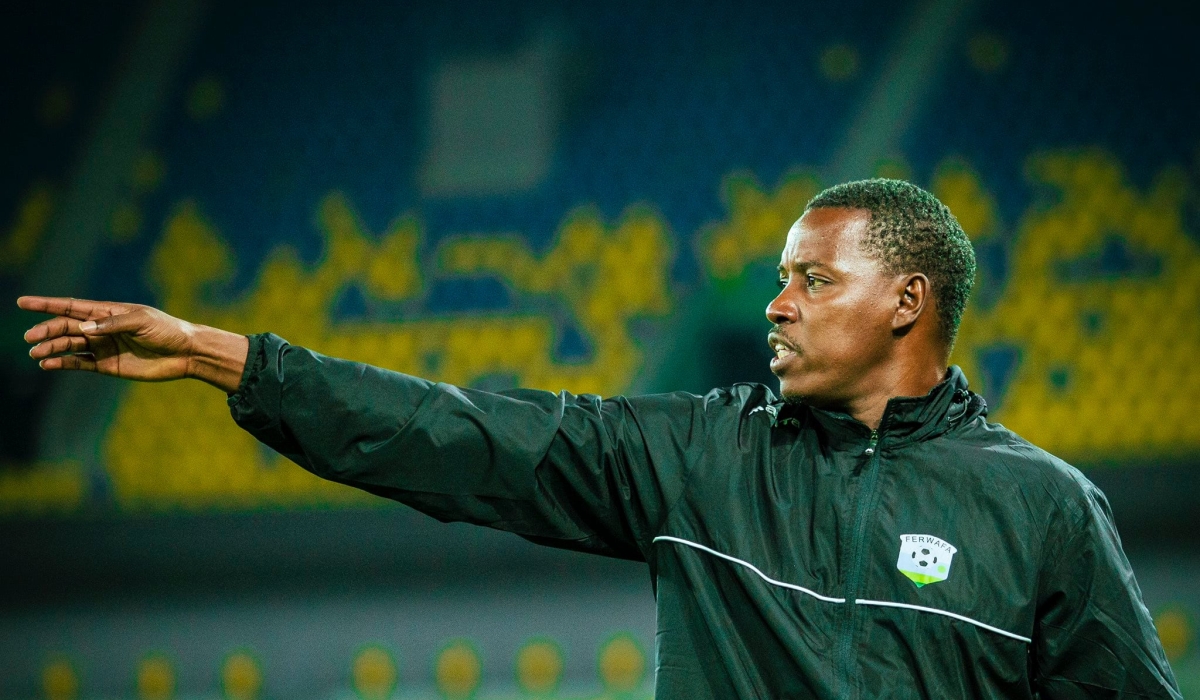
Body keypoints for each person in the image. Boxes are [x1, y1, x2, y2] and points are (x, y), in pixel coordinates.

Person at [19, 179, 1180, 699]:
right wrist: (229, 357)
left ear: (908, 302)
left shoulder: (1045, 509)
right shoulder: (699, 456)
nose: (775, 304)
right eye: (777, 279)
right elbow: (455, 435)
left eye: (811, 279)